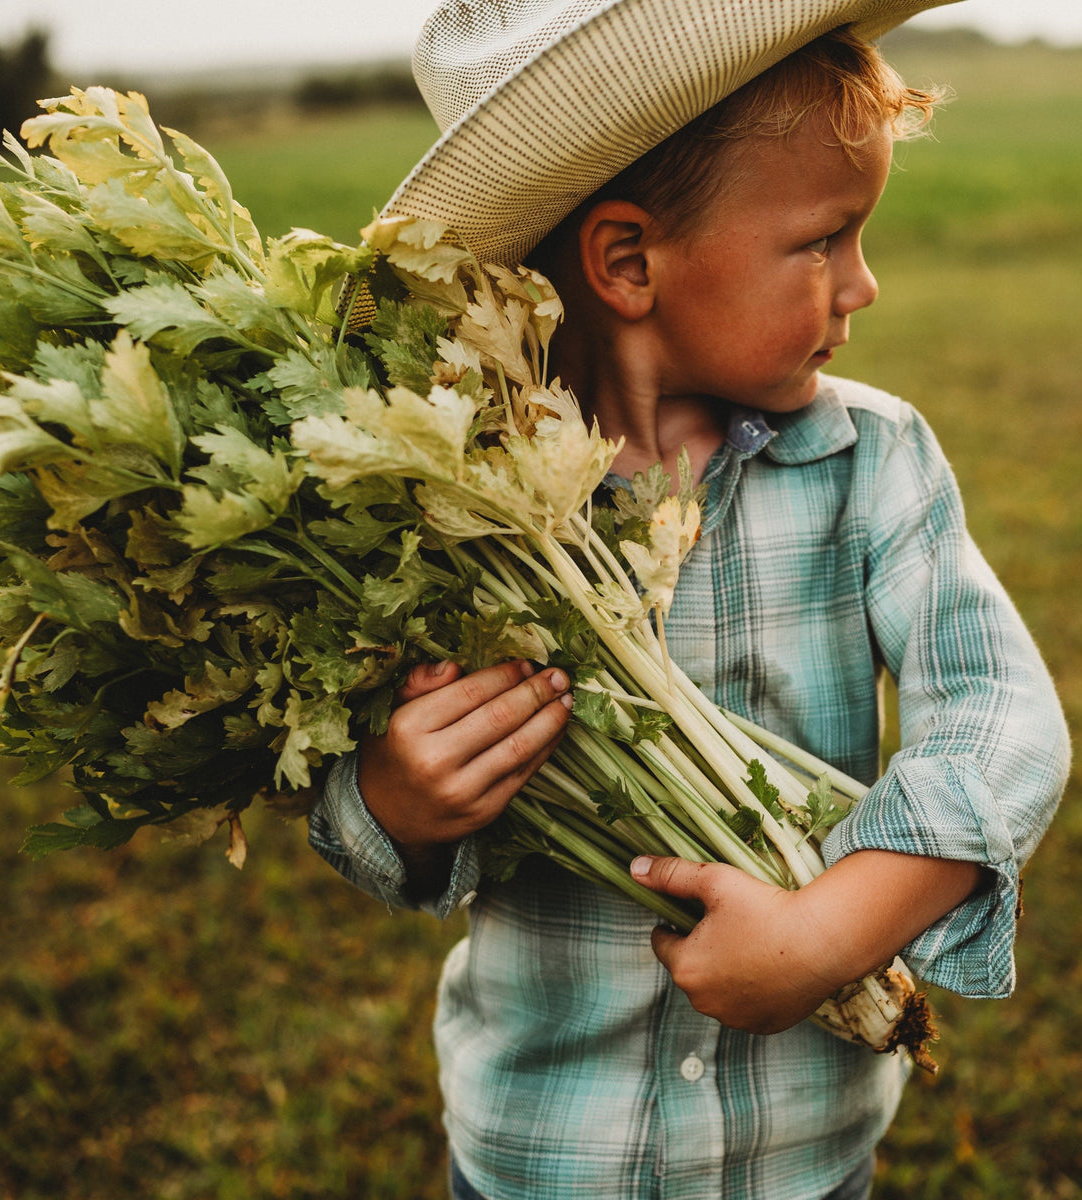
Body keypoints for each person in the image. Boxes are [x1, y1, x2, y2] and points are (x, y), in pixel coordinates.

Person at [307, 2, 1071, 1197]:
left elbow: (1002, 721)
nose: (861, 285)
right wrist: (397, 797)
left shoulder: (875, 461)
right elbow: (355, 809)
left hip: (801, 1161)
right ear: (627, 263)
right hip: (544, 1155)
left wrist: (828, 938)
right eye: (825, 241)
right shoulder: (455, 504)